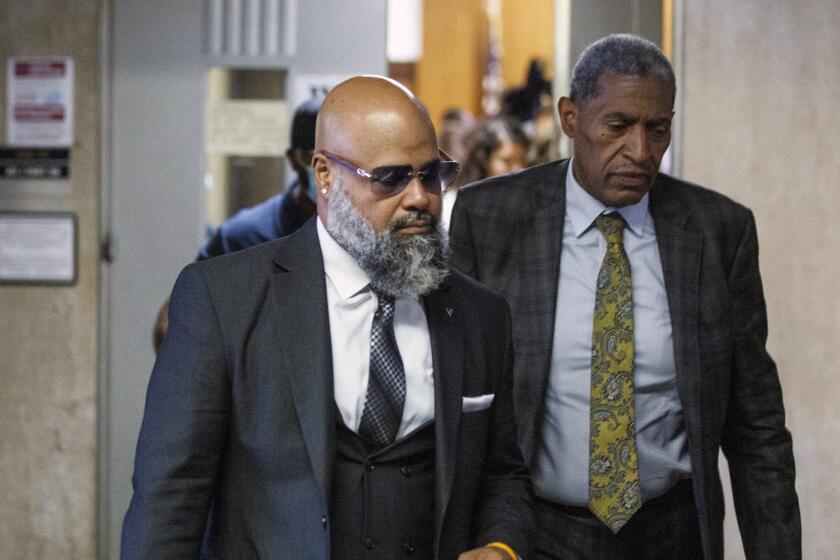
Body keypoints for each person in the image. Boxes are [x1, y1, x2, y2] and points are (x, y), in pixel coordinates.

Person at [123, 75, 533, 560]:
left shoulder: (480, 315)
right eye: (392, 178)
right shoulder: (223, 301)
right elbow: (169, 502)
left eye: (432, 174)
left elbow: (502, 474)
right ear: (324, 174)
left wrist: (502, 548)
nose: (421, 197)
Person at [449, 34, 800, 560]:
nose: (640, 151)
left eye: (657, 130)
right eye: (617, 127)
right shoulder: (492, 219)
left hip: (670, 534)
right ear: (570, 117)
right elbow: (459, 403)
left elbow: (756, 427)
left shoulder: (717, 233)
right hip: (536, 533)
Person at [152, 97, 322, 352]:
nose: (327, 173)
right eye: (315, 160)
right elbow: (174, 323)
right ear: (294, 159)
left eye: (343, 161)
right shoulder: (246, 236)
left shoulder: (361, 235)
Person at [441, 116, 529, 231]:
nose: (518, 168)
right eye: (507, 161)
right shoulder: (456, 203)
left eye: (522, 160)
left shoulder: (525, 200)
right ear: (484, 160)